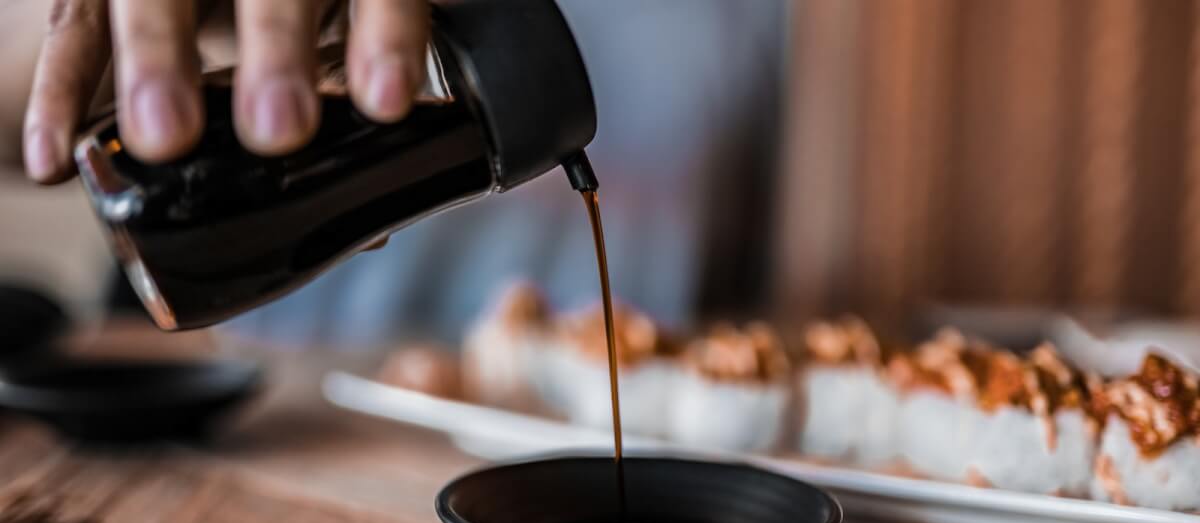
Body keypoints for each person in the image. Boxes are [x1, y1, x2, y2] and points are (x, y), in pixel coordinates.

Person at [0, 0, 784, 344]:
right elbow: (20, 125)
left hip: (616, 432)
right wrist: (70, 46)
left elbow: (780, 247)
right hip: (276, 413)